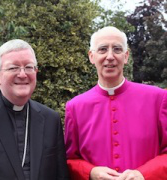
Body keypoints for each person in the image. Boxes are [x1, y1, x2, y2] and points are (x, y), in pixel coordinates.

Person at [64, 26, 167, 180]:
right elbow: (69, 160)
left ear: (126, 56)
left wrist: (144, 174)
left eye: (117, 49)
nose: (110, 56)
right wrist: (91, 172)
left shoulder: (158, 98)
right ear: (91, 56)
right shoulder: (75, 107)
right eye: (103, 49)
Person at [0, 39, 69, 180]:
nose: (22, 74)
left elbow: (60, 175)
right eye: (13, 68)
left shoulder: (51, 119)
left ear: (36, 72)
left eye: (28, 67)